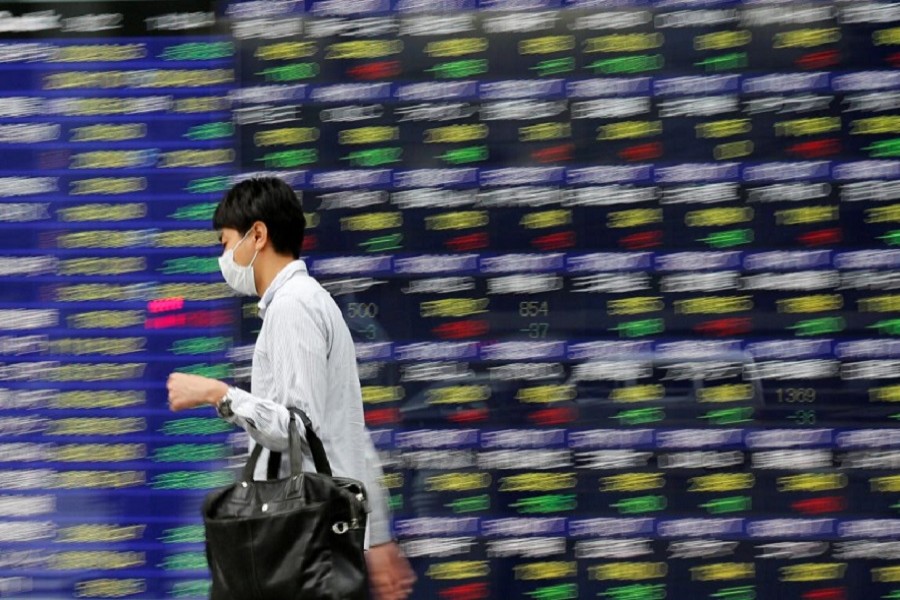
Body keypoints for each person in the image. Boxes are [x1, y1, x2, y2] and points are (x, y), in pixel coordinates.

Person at [165, 176, 415, 600]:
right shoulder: (307, 301)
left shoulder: (293, 307)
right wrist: (380, 537)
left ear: (257, 235)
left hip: (300, 541)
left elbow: (296, 429)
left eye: (225, 242)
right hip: (317, 538)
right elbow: (350, 438)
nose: (224, 256)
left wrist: (218, 395)